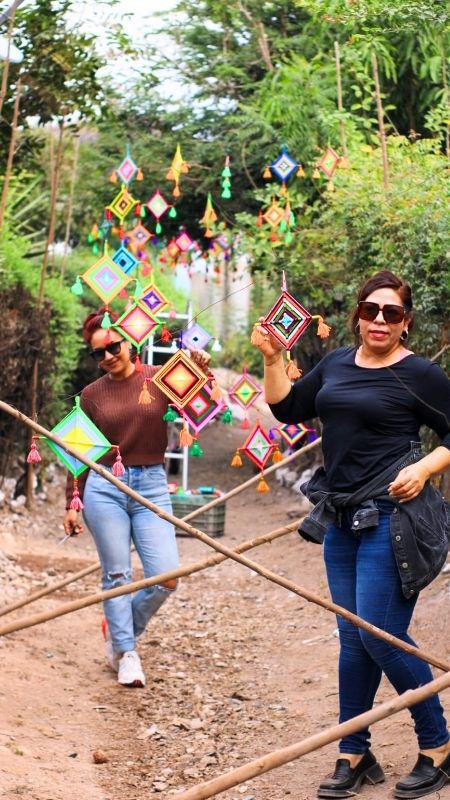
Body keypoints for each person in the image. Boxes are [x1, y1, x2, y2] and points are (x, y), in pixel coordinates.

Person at [254, 270, 450, 799]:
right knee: (351, 640)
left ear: (406, 322)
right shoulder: (338, 361)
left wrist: (428, 466)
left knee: (378, 632)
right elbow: (287, 407)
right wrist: (273, 360)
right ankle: (354, 751)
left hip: (393, 516)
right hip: (341, 517)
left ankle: (439, 744)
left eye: (391, 313)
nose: (379, 320)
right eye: (370, 310)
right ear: (357, 315)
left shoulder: (421, 375)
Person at [63, 307, 210, 688]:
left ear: (129, 341)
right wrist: (72, 502)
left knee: (167, 576)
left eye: (113, 346)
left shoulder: (159, 379)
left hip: (151, 485)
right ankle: (126, 653)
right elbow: (80, 453)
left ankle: (118, 628)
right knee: (117, 576)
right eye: (99, 353)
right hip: (104, 488)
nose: (109, 355)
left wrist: (201, 371)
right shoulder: (92, 396)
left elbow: (199, 409)